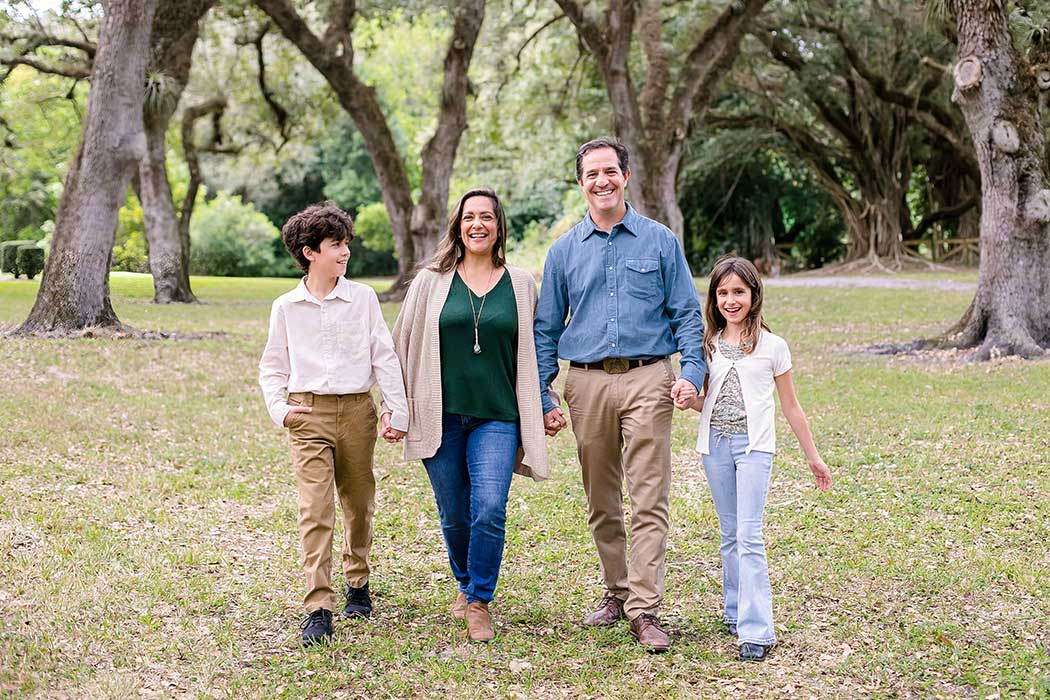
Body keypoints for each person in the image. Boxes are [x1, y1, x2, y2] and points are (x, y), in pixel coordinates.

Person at [534, 137, 705, 652]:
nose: (602, 181)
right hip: (585, 383)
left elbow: (687, 313)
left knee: (649, 496)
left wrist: (692, 373)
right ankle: (616, 590)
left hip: (649, 378)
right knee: (602, 499)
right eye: (592, 174)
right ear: (581, 182)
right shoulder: (564, 250)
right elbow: (545, 329)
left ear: (626, 176)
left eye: (611, 171)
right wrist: (545, 393)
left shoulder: (659, 241)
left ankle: (645, 609)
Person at [392, 187, 549, 642]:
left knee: (489, 508)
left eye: (486, 216)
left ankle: (479, 599)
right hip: (439, 415)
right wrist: (393, 409)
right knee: (454, 514)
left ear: (499, 225)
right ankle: (464, 583)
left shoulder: (521, 283)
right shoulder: (430, 281)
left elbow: (535, 354)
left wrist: (546, 403)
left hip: (498, 416)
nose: (476, 224)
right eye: (468, 217)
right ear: (457, 226)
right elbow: (400, 347)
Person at [258, 201, 409, 647]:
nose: (345, 253)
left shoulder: (361, 298)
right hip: (308, 414)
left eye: (345, 244)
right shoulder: (286, 307)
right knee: (315, 509)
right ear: (310, 253)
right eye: (336, 245)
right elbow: (272, 366)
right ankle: (318, 606)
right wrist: (280, 409)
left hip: (358, 412)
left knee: (358, 502)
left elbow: (384, 355)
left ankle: (357, 580)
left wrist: (393, 410)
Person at [685, 255, 832, 662]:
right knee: (729, 534)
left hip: (753, 448)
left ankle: (756, 630)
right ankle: (734, 610)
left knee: (750, 536)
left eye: (739, 292)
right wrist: (686, 399)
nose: (731, 300)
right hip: (714, 445)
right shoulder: (708, 345)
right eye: (723, 293)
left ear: (753, 295)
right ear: (714, 299)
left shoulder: (773, 347)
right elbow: (709, 402)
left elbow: (791, 407)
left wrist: (813, 458)